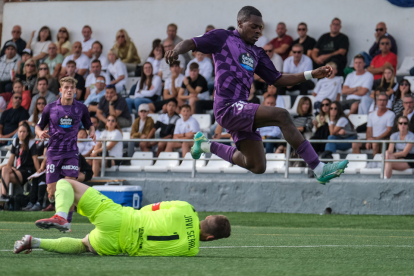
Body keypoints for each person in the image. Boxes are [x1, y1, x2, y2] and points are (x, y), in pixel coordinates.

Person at [165, 6, 348, 184]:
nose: (258, 31)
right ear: (240, 23)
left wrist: (311, 74)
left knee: (257, 165)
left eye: (260, 28)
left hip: (242, 109)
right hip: (227, 106)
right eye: (254, 26)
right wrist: (176, 51)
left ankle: (206, 145)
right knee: (282, 115)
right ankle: (318, 168)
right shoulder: (223, 37)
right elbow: (191, 43)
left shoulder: (257, 53)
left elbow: (277, 78)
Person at [15, 178, 230, 256]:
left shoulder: (187, 208)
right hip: (119, 245)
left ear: (207, 217)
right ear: (210, 239)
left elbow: (149, 209)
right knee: (83, 245)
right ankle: (36, 242)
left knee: (66, 183)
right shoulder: (191, 250)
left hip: (120, 217)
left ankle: (62, 215)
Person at [35, 76, 95, 212]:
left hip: (71, 151)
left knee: (69, 186)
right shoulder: (50, 108)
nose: (69, 90)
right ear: (61, 90)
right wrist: (39, 133)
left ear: (75, 90)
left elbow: (89, 125)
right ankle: (51, 195)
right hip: (53, 151)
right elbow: (38, 126)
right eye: (66, 88)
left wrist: (91, 132)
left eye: (71, 88)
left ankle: (66, 221)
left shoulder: (81, 108)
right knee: (52, 188)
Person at [0, 122, 39, 201]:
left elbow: (35, 159)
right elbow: (11, 158)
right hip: (18, 170)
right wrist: (7, 167)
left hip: (27, 171)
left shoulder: (31, 142)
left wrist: (38, 172)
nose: (22, 134)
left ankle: (3, 196)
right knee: (3, 176)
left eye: (24, 132)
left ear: (28, 133)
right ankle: (2, 201)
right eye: (20, 131)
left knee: (4, 172)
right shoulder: (15, 141)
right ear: (17, 132)